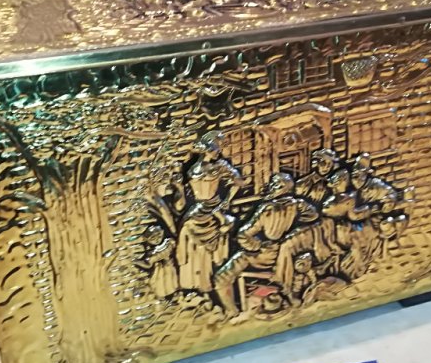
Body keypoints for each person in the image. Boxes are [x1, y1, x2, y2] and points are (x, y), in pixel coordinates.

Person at [213, 173, 319, 316]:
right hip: (282, 252)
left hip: (264, 255)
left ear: (280, 187)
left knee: (221, 277)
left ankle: (232, 311)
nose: (270, 186)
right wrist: (293, 228)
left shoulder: (268, 209)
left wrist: (256, 246)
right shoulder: (297, 204)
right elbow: (313, 215)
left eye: (274, 183)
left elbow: (243, 235)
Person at [176, 131, 244, 294]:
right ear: (209, 147)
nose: (219, 151)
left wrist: (227, 200)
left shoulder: (219, 166)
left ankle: (208, 282)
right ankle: (193, 283)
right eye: (217, 147)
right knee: (188, 234)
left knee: (206, 248)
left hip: (213, 209)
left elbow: (238, 181)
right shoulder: (194, 169)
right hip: (197, 210)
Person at [133, 226, 179, 300]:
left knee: (170, 279)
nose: (157, 239)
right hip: (160, 269)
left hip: (170, 266)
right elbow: (148, 264)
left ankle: (172, 293)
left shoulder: (169, 243)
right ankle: (162, 295)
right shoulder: (153, 253)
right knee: (160, 281)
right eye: (153, 238)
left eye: (159, 236)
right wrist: (136, 262)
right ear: (147, 240)